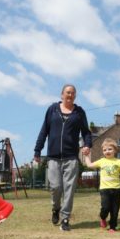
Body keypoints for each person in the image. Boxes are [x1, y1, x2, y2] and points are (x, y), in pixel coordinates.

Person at [34, 84, 92, 231]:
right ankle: (56, 209)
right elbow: (44, 131)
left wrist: (87, 145)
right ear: (61, 95)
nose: (70, 95)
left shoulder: (79, 113)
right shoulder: (52, 109)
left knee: (69, 189)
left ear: (75, 96)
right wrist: (37, 151)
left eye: (73, 93)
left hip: (71, 157)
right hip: (53, 158)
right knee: (55, 187)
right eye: (67, 92)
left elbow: (86, 132)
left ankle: (65, 218)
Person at [83, 138, 120, 233]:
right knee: (105, 207)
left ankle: (112, 227)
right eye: (105, 150)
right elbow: (89, 165)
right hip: (104, 189)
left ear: (115, 150)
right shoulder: (101, 161)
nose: (107, 151)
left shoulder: (118, 162)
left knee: (115, 210)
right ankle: (102, 218)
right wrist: (86, 155)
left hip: (116, 189)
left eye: (110, 149)